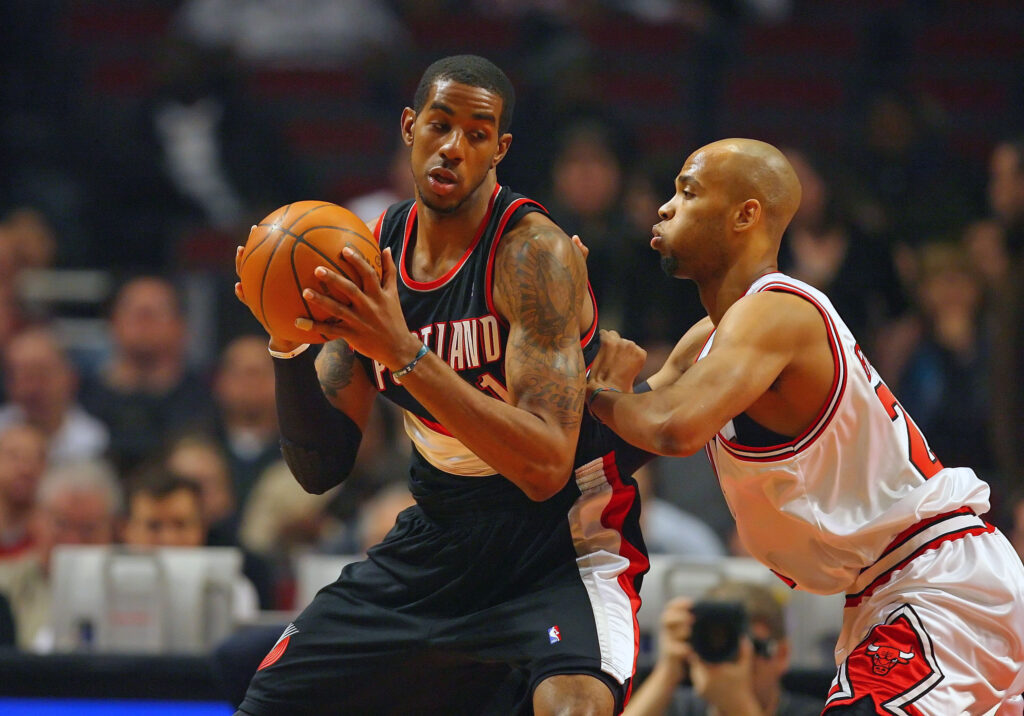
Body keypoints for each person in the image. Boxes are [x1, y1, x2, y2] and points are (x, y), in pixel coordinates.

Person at [232, 54, 650, 715]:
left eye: (478, 134)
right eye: (439, 125)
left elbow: (544, 465)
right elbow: (321, 468)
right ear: (409, 127)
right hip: (441, 534)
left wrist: (404, 353)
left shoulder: (532, 255)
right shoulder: (373, 253)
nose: (453, 148)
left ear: (500, 149)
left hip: (560, 543)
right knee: (270, 703)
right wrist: (286, 345)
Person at [585, 138, 1024, 713]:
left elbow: (671, 426)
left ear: (747, 215)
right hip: (890, 591)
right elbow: (617, 442)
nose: (666, 207)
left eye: (687, 192)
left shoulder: (777, 312)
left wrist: (596, 390)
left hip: (935, 580)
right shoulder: (709, 341)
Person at [624, 581, 822, 716]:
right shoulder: (675, 706)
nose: (735, 661)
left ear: (781, 655)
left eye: (750, 650)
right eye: (723, 644)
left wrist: (738, 706)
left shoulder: (820, 712)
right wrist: (666, 672)